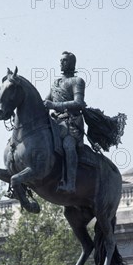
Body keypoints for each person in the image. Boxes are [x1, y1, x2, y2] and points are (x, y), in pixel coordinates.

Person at [44, 51, 86, 194]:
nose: (61, 63)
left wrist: (55, 106)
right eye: (61, 60)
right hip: (55, 123)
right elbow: (46, 102)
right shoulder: (56, 83)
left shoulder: (77, 81)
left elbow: (79, 103)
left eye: (65, 61)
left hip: (71, 124)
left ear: (72, 63)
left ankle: (70, 184)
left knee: (68, 145)